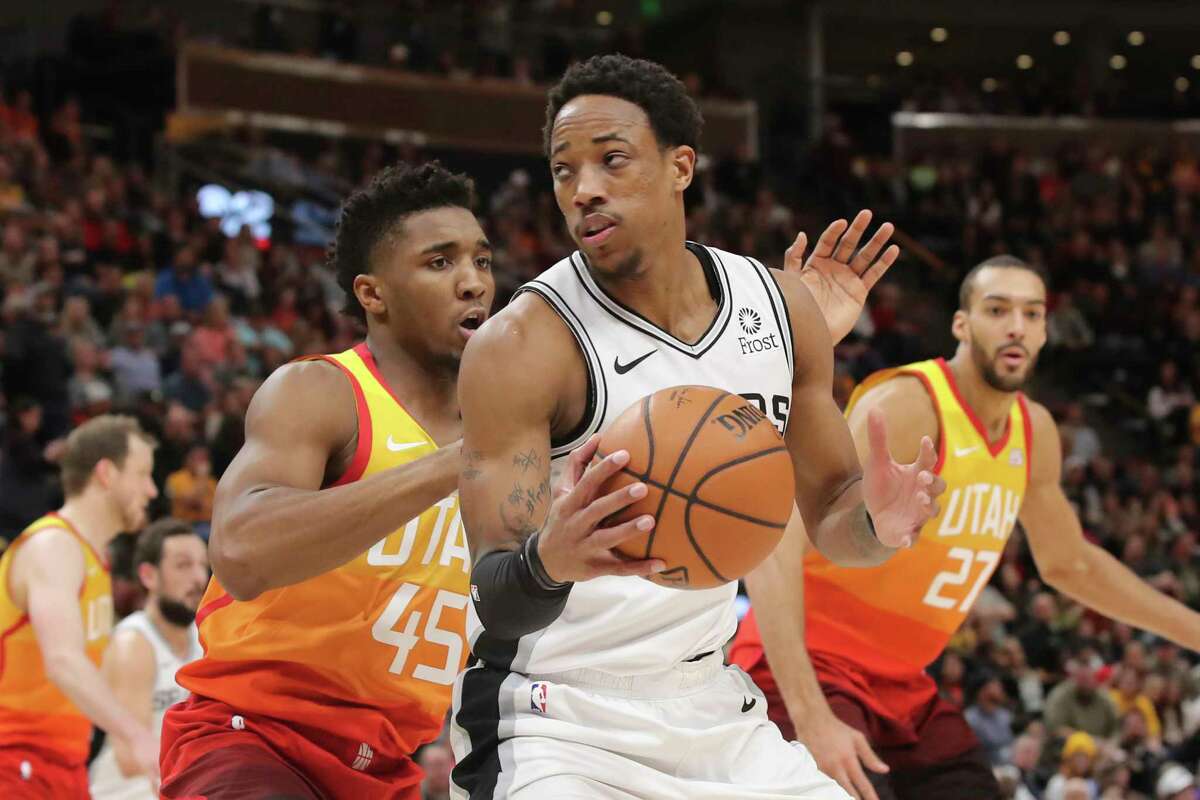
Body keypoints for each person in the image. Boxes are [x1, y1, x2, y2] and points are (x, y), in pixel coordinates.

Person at [452, 54, 943, 799]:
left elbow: (835, 522)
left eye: (612, 160)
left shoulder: (780, 310)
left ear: (681, 166)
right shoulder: (522, 346)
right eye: (563, 171)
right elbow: (496, 593)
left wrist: (879, 522)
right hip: (554, 715)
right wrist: (550, 557)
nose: (583, 190)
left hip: (708, 703)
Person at [731, 255, 1200, 800]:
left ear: (1047, 330)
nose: (1016, 326)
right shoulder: (910, 404)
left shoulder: (1035, 430)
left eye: (1031, 313)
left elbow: (1071, 563)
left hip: (902, 684)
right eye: (997, 310)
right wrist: (810, 713)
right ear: (961, 324)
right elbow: (777, 537)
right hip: (807, 666)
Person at [158, 161, 494, 800]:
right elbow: (241, 550)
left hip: (387, 765)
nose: (472, 282)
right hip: (251, 737)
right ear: (373, 294)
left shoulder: (508, 433)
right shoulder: (321, 393)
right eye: (440, 263)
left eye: (481, 260)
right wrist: (452, 463)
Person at [0, 415, 160, 797]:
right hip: (14, 757)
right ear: (105, 473)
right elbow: (63, 661)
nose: (152, 490)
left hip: (62, 761)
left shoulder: (93, 559)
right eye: (142, 474)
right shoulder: (53, 546)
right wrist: (138, 735)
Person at [89, 518, 208, 799]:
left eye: (203, 565)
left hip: (180, 785)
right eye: (183, 565)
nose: (199, 578)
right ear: (148, 576)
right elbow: (130, 758)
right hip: (125, 791)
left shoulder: (206, 635)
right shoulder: (133, 644)